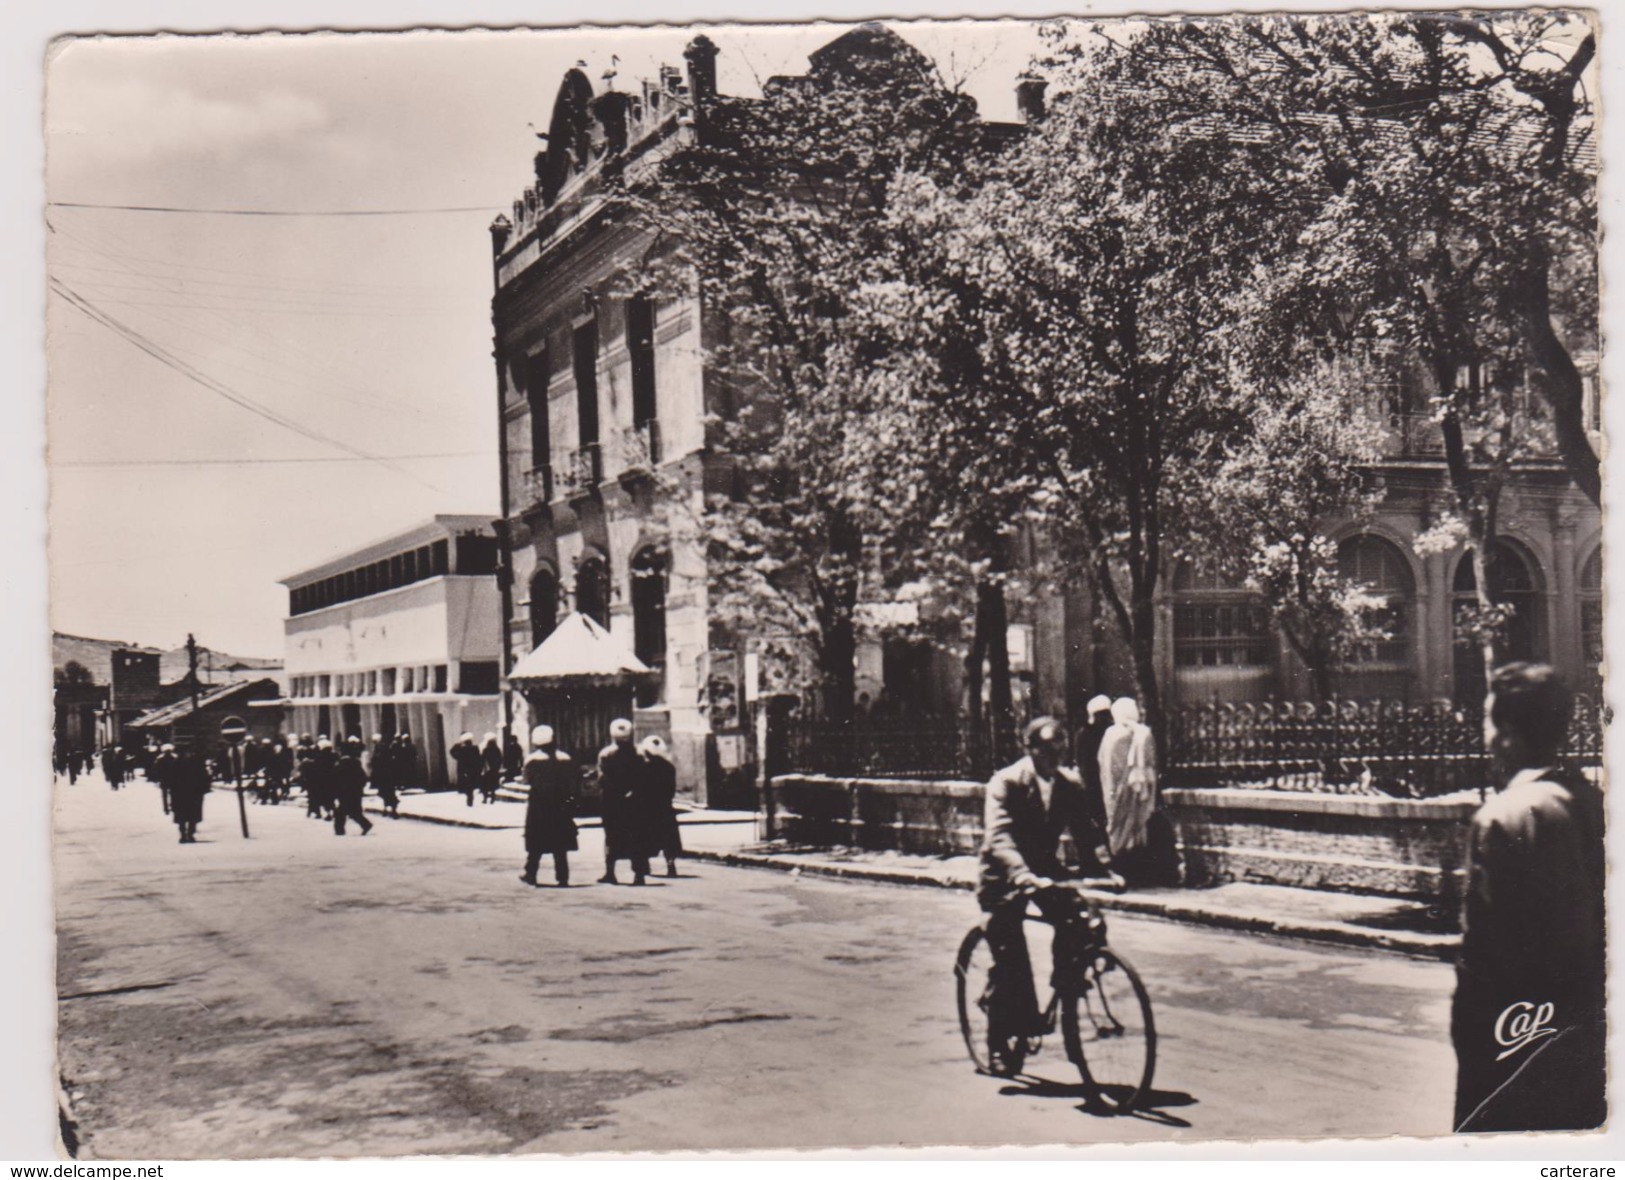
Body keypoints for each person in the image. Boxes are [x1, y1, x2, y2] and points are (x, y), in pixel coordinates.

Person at [1451, 663, 1604, 1133]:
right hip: (1588, 1029)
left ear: (1507, 735)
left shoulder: (1504, 817)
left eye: (1488, 722)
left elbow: (1488, 952)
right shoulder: (1593, 802)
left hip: (1514, 1033)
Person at [978, 716, 1116, 1073]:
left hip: (1044, 871)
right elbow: (999, 838)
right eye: (1046, 751)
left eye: (1060, 750)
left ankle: (1067, 994)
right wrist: (1022, 874)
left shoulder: (1068, 783)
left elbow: (1087, 830)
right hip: (1004, 879)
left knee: (1079, 920)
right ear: (1030, 750)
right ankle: (996, 1041)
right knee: (1011, 963)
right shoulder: (1005, 783)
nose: (1054, 758)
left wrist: (1105, 868)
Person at [1096, 697, 1168, 887]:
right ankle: (1134, 870)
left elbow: (1102, 762)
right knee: (1133, 828)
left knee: (1117, 827)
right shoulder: (1135, 734)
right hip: (1128, 790)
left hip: (1111, 790)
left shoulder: (1110, 733)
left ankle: (1122, 867)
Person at [521, 725, 577, 887]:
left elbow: (526, 780)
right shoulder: (565, 758)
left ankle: (531, 873)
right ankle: (562, 876)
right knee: (560, 843)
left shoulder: (532, 760)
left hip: (539, 804)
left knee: (536, 841)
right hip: (560, 803)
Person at [596, 718, 648, 885]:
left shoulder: (606, 754)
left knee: (611, 837)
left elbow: (603, 779)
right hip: (635, 802)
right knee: (637, 837)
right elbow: (643, 779)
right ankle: (639, 875)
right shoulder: (639, 754)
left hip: (612, 803)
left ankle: (610, 873)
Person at [637, 735, 683, 879]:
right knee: (669, 839)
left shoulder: (643, 767)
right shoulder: (669, 767)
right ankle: (671, 865)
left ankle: (645, 866)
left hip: (647, 808)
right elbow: (671, 789)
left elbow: (640, 789)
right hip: (665, 807)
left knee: (645, 838)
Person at [332, 736, 374, 837]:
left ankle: (340, 830)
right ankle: (365, 825)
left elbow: (334, 780)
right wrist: (360, 788)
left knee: (341, 812)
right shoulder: (355, 764)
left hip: (344, 792)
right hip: (355, 792)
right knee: (353, 811)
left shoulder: (339, 766)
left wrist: (335, 792)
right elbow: (363, 778)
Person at [168, 746, 210, 844]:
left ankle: (184, 834)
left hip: (180, 794)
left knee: (182, 814)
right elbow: (204, 777)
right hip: (192, 793)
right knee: (191, 814)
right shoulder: (195, 763)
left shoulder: (175, 763)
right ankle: (189, 834)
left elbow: (171, 779)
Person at [371, 735, 400, 817]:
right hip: (386, 775)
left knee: (386, 792)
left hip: (384, 775)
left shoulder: (380, 749)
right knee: (387, 792)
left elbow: (377, 762)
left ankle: (390, 809)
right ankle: (389, 809)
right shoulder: (382, 748)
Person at [451, 733, 482, 807]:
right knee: (471, 783)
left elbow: (452, 752)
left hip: (465, 769)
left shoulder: (462, 749)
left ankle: (469, 796)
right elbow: (479, 758)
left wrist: (458, 744)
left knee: (467, 784)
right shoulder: (475, 748)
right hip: (473, 768)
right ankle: (470, 796)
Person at [151, 743, 178, 816]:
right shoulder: (174, 758)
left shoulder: (160, 759)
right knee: (172, 793)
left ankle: (166, 808)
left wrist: (157, 778)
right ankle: (171, 806)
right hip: (172, 779)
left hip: (164, 779)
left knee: (165, 794)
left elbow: (156, 769)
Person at [479, 732, 504, 804]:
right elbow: (500, 759)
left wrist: (482, 769)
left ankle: (485, 798)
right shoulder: (497, 750)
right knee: (493, 785)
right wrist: (498, 767)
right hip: (494, 770)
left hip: (487, 770)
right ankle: (492, 798)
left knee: (485, 785)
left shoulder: (486, 750)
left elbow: (482, 760)